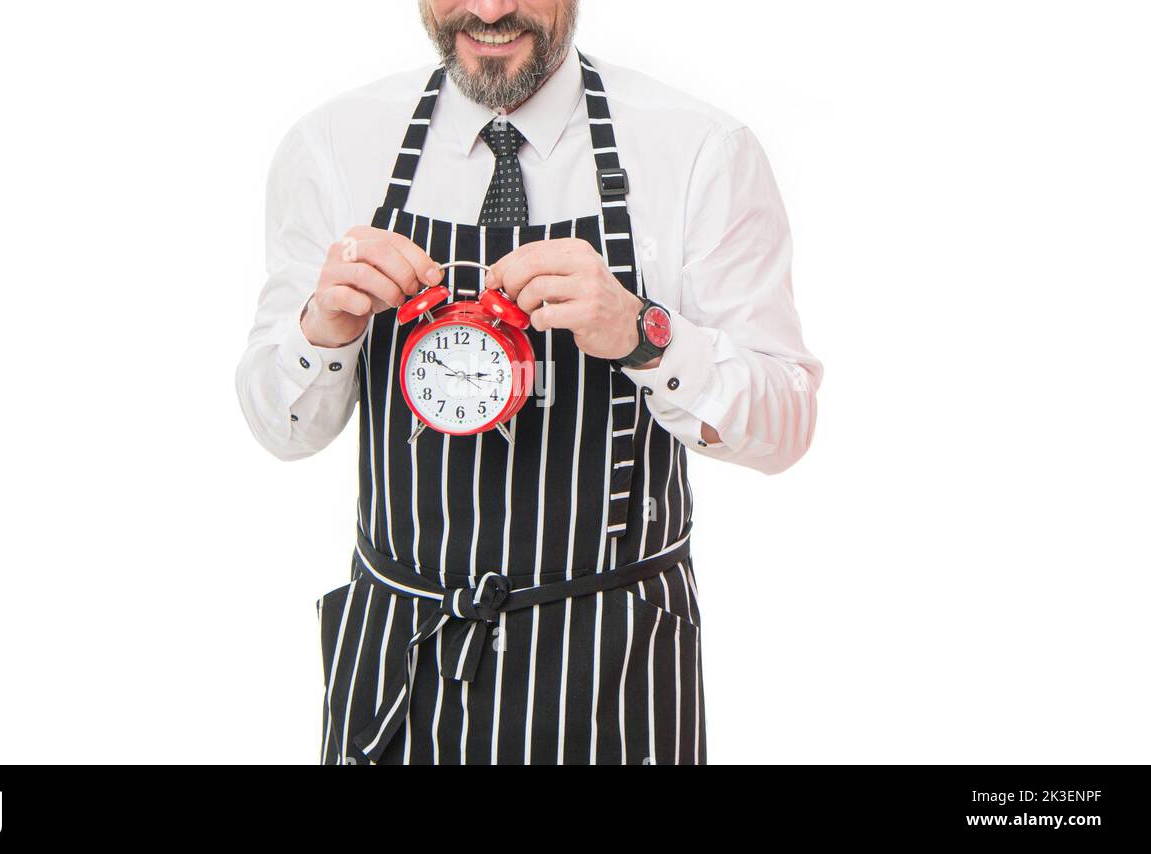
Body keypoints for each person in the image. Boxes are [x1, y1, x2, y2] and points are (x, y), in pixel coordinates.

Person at [236, 0, 822, 765]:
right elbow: (281, 430)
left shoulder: (700, 150)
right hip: (403, 663)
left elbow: (786, 429)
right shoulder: (333, 147)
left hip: (615, 672)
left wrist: (645, 334)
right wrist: (323, 329)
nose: (487, 9)